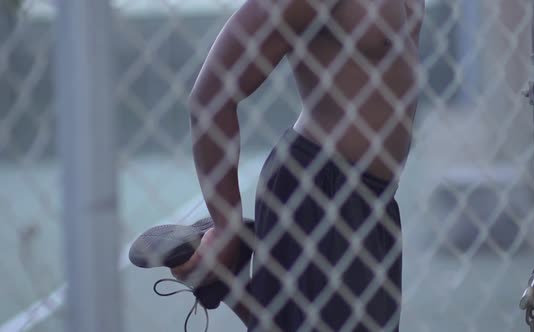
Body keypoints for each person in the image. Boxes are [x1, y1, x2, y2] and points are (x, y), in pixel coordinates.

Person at [172, 0, 424, 330]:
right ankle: (229, 276)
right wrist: (226, 228)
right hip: (319, 190)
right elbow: (210, 96)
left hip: (374, 201)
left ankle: (231, 284)